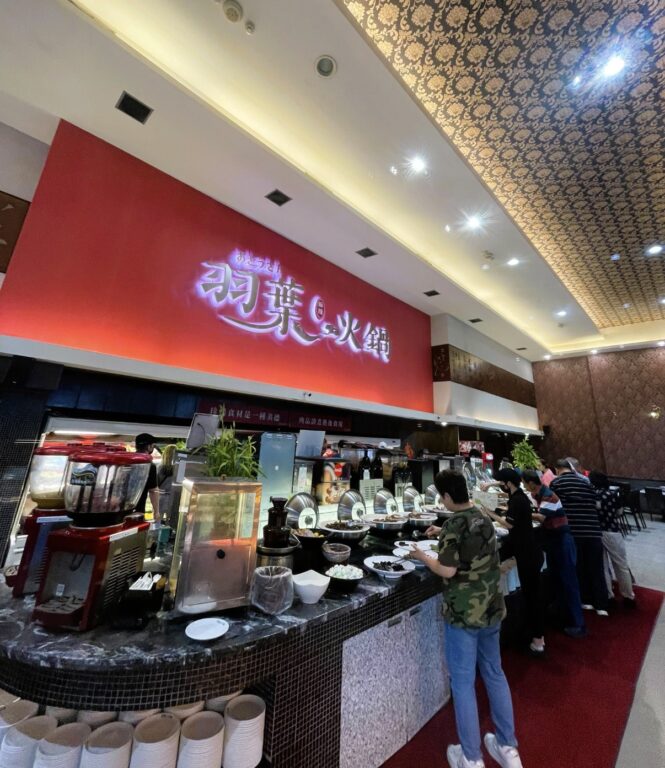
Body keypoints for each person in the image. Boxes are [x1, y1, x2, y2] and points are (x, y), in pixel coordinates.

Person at [410, 470, 522, 768]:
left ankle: (471, 758)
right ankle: (508, 748)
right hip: (492, 609)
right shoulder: (481, 516)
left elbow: (446, 570)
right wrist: (442, 530)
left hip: (463, 614)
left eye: (441, 496)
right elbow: (470, 541)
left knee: (462, 683)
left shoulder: (454, 525)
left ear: (447, 496)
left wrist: (422, 556)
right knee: (494, 673)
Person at [521, 471, 586, 638]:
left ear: (531, 483)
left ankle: (578, 624)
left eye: (525, 483)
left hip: (562, 541)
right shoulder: (538, 495)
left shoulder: (549, 495)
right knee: (558, 580)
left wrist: (521, 512)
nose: (525, 486)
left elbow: (541, 517)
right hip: (552, 541)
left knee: (569, 582)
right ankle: (563, 617)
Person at [492, 469, 545, 655]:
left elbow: (509, 524)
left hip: (527, 555)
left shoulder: (517, 500)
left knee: (532, 597)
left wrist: (489, 513)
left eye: (502, 483)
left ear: (508, 483)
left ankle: (538, 641)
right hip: (531, 553)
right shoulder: (520, 497)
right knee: (533, 595)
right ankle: (536, 636)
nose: (501, 486)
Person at [550, 459, 608, 616]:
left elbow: (552, 506)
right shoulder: (586, 482)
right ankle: (601, 605)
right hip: (593, 530)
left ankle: (586, 600)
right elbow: (597, 504)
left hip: (574, 531)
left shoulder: (557, 483)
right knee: (596, 568)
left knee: (579, 567)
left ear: (557, 469)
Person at [588, 471, 636, 607]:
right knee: (621, 565)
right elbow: (619, 512)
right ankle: (628, 596)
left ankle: (609, 596)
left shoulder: (591, 495)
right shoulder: (613, 494)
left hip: (596, 532)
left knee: (603, 566)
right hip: (612, 531)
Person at [135, 433, 160, 519]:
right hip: (138, 511)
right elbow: (153, 491)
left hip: (119, 510)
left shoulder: (127, 461)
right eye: (153, 446)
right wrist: (156, 512)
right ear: (149, 447)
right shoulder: (149, 465)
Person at [157, 444, 177, 527]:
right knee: (171, 521)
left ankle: (159, 533)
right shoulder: (177, 468)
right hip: (173, 497)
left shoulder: (160, 467)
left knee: (158, 520)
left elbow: (156, 483)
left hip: (161, 496)